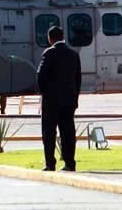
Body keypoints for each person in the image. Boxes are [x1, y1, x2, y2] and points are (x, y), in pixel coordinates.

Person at [36, 25, 81, 172]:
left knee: (49, 132)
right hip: (69, 100)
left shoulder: (49, 53)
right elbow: (78, 80)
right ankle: (70, 163)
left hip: (51, 100)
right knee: (68, 133)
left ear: (50, 38)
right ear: (63, 37)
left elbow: (40, 77)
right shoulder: (73, 54)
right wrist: (74, 97)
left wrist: (45, 93)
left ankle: (50, 163)